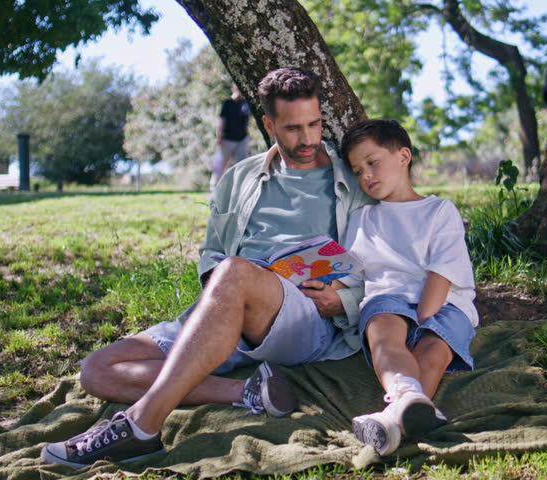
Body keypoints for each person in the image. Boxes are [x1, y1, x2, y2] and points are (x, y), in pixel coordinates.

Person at [40, 67, 371, 467]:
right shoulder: (240, 177)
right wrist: (218, 279)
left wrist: (346, 300)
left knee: (234, 271)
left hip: (305, 318)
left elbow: (386, 262)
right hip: (228, 304)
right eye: (292, 128)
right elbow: (212, 251)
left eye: (314, 124)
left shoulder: (352, 180)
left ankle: (141, 426)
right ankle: (248, 391)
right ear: (268, 124)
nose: (307, 138)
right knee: (96, 370)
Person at [333, 119, 479, 456]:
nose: (366, 175)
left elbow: (442, 271)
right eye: (357, 170)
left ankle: (391, 423)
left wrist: (426, 319)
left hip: (444, 303)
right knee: (384, 331)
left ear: (403, 156)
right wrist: (323, 283)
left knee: (434, 349)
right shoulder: (363, 219)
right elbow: (351, 272)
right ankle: (407, 398)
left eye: (372, 162)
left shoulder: (439, 210)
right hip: (388, 300)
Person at [211, 84, 251, 188]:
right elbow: (222, 121)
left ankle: (242, 189)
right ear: (234, 89)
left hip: (242, 139)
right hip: (227, 139)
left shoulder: (245, 104)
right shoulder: (227, 103)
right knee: (220, 166)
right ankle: (214, 188)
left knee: (243, 165)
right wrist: (219, 136)